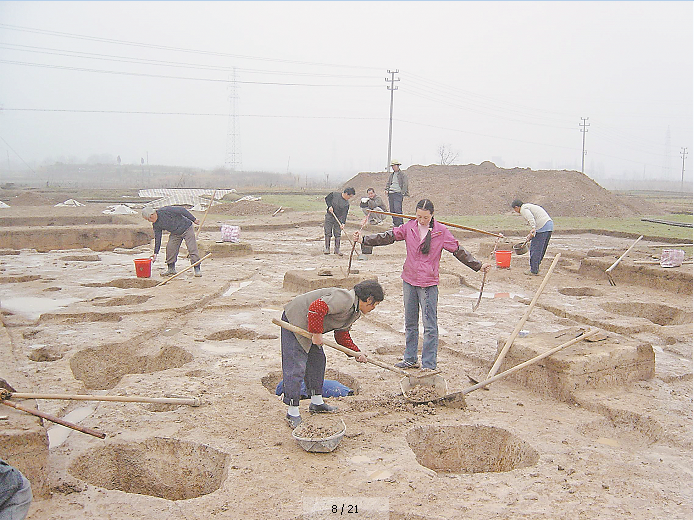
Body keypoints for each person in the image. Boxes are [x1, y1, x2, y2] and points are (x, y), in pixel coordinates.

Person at [354, 199, 491, 371]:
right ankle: (410, 358)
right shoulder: (409, 227)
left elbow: (458, 251)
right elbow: (388, 237)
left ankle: (428, 365)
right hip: (409, 279)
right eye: (419, 216)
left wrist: (478, 266)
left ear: (432, 215)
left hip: (428, 283)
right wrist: (364, 239)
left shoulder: (441, 232)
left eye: (425, 217)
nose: (422, 220)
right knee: (410, 323)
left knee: (430, 326)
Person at [280, 280, 384, 428]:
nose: (374, 308)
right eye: (375, 304)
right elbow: (316, 308)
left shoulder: (355, 311)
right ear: (369, 299)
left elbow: (342, 334)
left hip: (312, 326)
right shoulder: (345, 299)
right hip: (296, 320)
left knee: (317, 362)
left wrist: (355, 352)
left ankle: (316, 403)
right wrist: (316, 334)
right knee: (296, 366)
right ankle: (292, 412)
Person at [142, 205, 202, 277]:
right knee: (170, 248)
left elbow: (182, 210)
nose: (149, 221)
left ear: (152, 215)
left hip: (186, 228)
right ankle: (171, 269)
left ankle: (197, 268)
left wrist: (194, 219)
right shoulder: (156, 225)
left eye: (148, 219)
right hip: (175, 233)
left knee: (192, 248)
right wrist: (155, 253)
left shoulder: (166, 210)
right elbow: (158, 238)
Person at [511, 199, 554, 276]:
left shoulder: (523, 209)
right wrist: (530, 235)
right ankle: (536, 267)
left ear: (517, 207)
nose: (515, 211)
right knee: (541, 248)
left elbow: (530, 218)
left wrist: (533, 228)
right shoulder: (529, 206)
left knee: (535, 248)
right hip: (549, 225)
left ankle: (533, 270)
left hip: (542, 226)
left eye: (515, 209)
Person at [323, 187, 355, 256]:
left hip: (339, 218)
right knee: (328, 232)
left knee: (337, 234)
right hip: (330, 216)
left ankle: (337, 250)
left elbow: (345, 214)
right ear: (346, 194)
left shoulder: (346, 204)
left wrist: (343, 223)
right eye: (350, 196)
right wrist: (329, 206)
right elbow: (327, 199)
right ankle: (327, 248)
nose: (349, 198)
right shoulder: (334, 194)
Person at [358, 188, 387, 260]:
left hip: (382, 213)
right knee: (365, 209)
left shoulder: (378, 198)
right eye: (369, 194)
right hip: (372, 212)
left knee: (375, 209)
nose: (370, 195)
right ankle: (371, 220)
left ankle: (379, 221)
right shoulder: (368, 199)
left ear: (374, 193)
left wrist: (369, 201)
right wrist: (363, 202)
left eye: (371, 193)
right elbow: (363, 206)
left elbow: (374, 205)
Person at [384, 160, 409, 226]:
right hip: (391, 193)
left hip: (398, 193)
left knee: (397, 209)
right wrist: (387, 190)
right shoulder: (391, 175)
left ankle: (400, 224)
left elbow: (405, 184)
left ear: (397, 166)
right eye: (392, 166)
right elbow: (388, 183)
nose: (393, 167)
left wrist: (402, 193)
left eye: (394, 166)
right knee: (392, 210)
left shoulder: (402, 175)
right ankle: (395, 223)